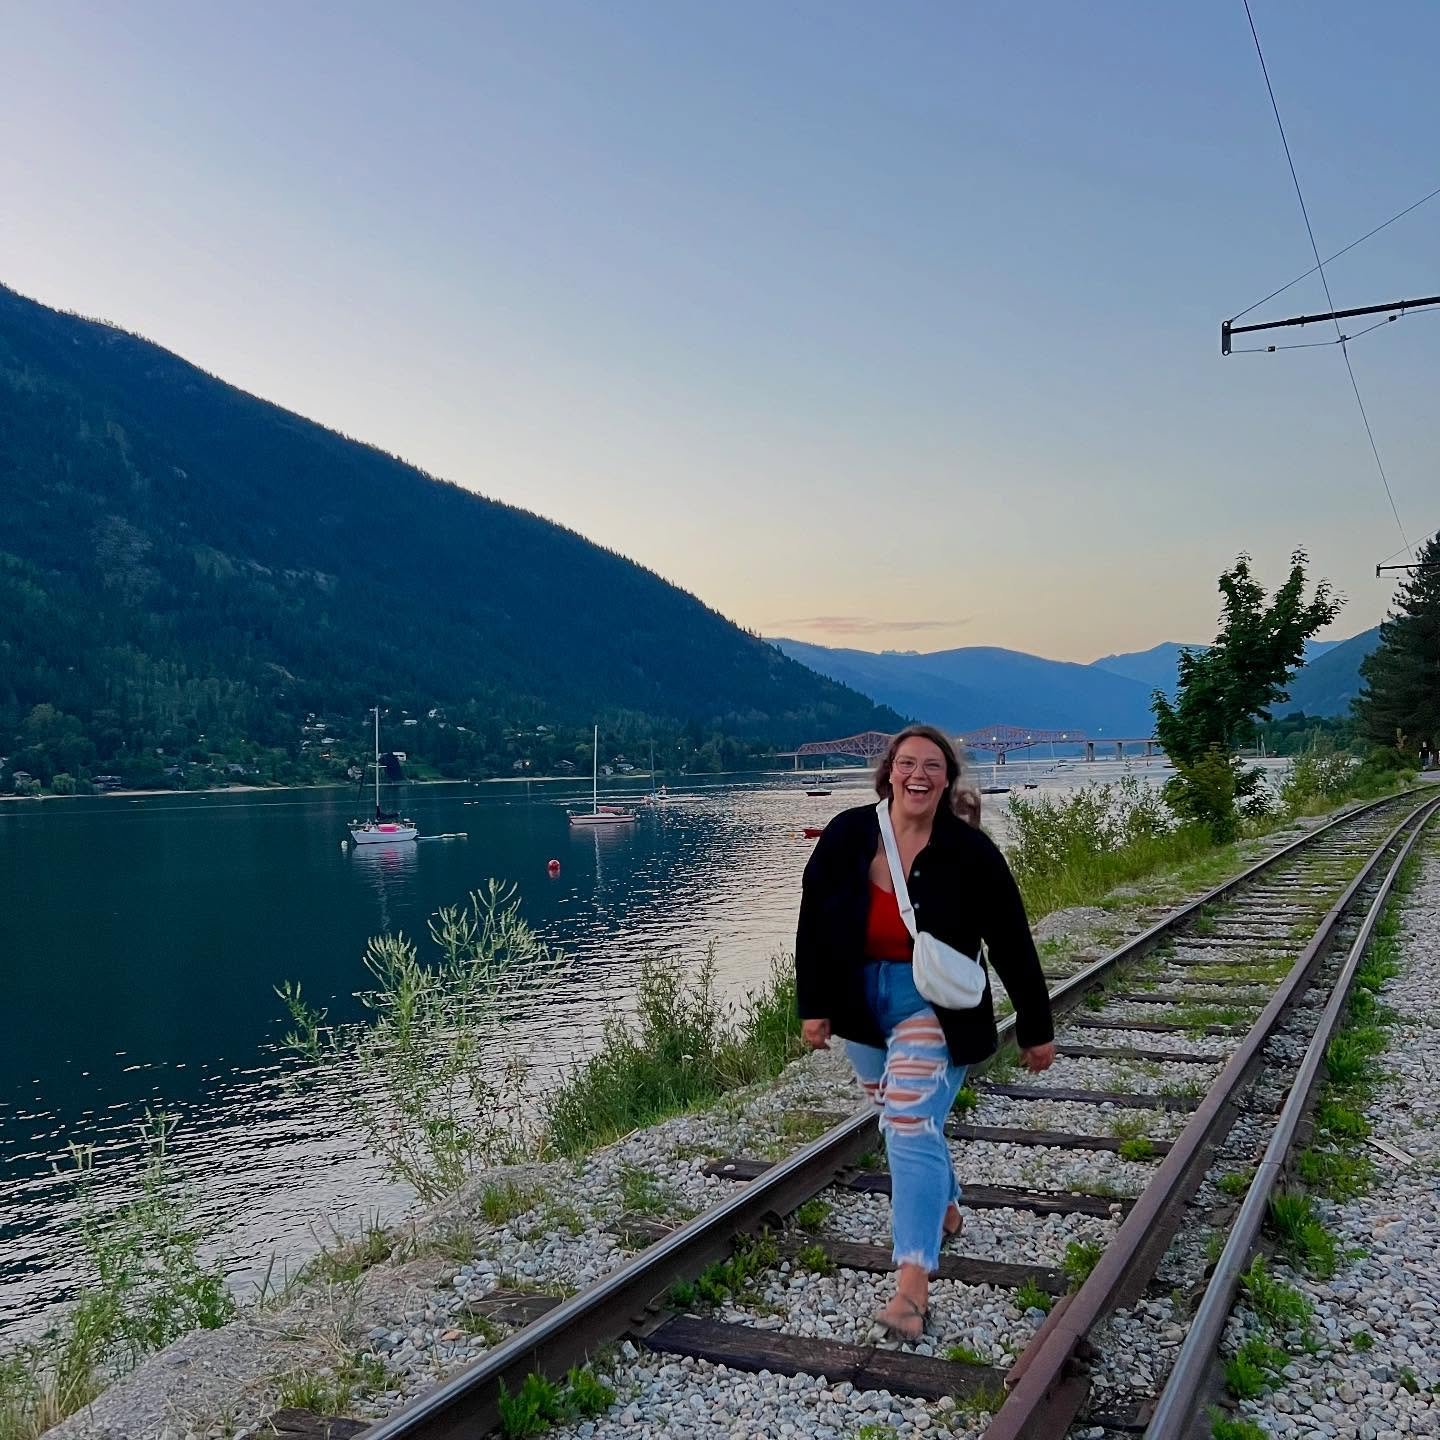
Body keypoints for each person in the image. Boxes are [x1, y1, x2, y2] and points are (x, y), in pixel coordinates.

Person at [795, 724, 1055, 1342]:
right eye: (907, 763)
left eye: (932, 766)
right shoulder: (847, 833)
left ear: (946, 779)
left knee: (909, 1124)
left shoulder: (969, 851)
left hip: (934, 1006)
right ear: (888, 772)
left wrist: (1035, 1026)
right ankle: (943, 1202)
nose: (918, 775)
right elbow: (813, 922)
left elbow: (1011, 939)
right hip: (860, 1004)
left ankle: (912, 1284)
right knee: (894, 1113)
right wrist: (815, 1005)